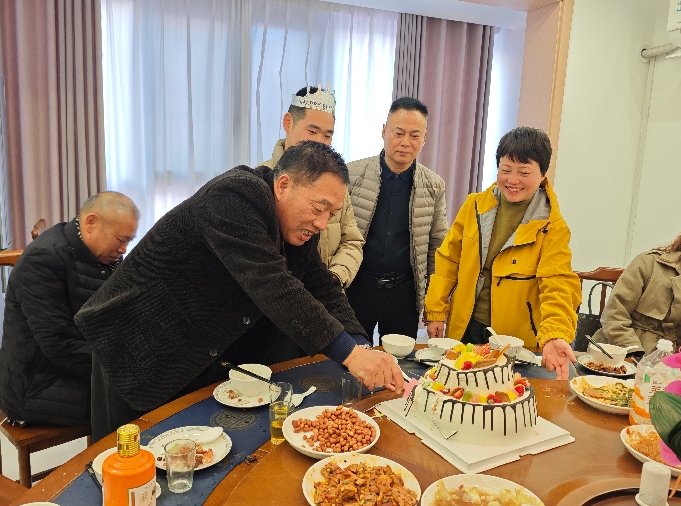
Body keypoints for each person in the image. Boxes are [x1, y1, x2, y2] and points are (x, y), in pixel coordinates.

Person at [75, 142, 403, 441]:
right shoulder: (234, 197)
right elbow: (276, 287)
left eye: (331, 214)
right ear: (283, 185)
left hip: (192, 346)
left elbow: (322, 288)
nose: (322, 223)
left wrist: (361, 345)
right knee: (125, 459)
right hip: (136, 342)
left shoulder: (298, 226)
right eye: (319, 208)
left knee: (186, 455)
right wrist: (352, 355)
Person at [424, 127, 581, 379]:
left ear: (543, 175)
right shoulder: (475, 205)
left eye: (524, 172)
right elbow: (448, 260)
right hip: (465, 326)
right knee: (458, 390)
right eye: (506, 170)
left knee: (504, 395)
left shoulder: (552, 226)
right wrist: (435, 311)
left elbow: (558, 283)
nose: (513, 180)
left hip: (513, 340)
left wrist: (555, 333)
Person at [0, 192, 139, 426]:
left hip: (71, 367)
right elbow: (58, 344)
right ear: (91, 222)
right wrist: (123, 368)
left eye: (128, 241)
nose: (123, 249)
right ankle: (114, 452)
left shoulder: (103, 256)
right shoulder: (43, 260)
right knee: (138, 399)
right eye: (121, 239)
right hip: (35, 382)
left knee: (160, 381)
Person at [346, 97, 447, 340]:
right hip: (357, 287)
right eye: (398, 133)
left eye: (414, 135)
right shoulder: (352, 175)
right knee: (352, 356)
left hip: (404, 293)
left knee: (401, 361)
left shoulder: (434, 185)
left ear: (424, 138)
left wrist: (435, 308)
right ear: (384, 131)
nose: (405, 142)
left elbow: (437, 248)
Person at [258, 85, 364, 288]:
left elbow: (352, 241)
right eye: (312, 131)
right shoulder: (262, 179)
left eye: (327, 136)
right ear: (288, 122)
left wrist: (333, 279)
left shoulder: (334, 182)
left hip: (326, 294)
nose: (320, 143)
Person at [594, 207, 681, 354]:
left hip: (680, 361)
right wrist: (635, 354)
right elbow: (615, 314)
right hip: (622, 353)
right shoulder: (648, 263)